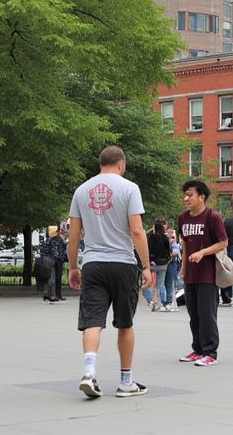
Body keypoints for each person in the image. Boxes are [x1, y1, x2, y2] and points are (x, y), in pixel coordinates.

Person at [67, 146, 152, 398]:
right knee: (125, 322)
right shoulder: (130, 188)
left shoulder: (81, 191)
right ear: (121, 164)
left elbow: (73, 237)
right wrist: (146, 266)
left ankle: (90, 372)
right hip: (123, 263)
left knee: (93, 320)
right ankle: (126, 382)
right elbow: (136, 230)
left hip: (93, 263)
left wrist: (73, 266)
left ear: (100, 163)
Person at [178, 179, 227, 366]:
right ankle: (197, 349)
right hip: (190, 274)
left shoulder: (212, 217)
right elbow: (184, 244)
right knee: (194, 315)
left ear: (202, 196)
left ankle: (210, 352)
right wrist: (183, 267)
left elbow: (223, 242)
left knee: (207, 314)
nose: (186, 198)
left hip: (208, 274)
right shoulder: (183, 218)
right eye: (185, 195)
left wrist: (203, 252)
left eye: (190, 195)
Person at [147, 219, 172, 312]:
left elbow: (149, 249)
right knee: (161, 284)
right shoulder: (165, 238)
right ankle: (164, 303)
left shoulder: (151, 237)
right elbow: (169, 250)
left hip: (153, 263)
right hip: (163, 263)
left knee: (151, 284)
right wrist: (167, 259)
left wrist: (151, 260)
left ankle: (153, 302)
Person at [40, 226, 66, 302]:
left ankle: (58, 295)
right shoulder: (48, 241)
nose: (57, 232)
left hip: (59, 261)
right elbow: (44, 252)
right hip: (51, 261)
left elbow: (63, 247)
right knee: (51, 278)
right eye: (56, 231)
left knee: (58, 278)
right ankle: (50, 295)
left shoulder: (59, 239)